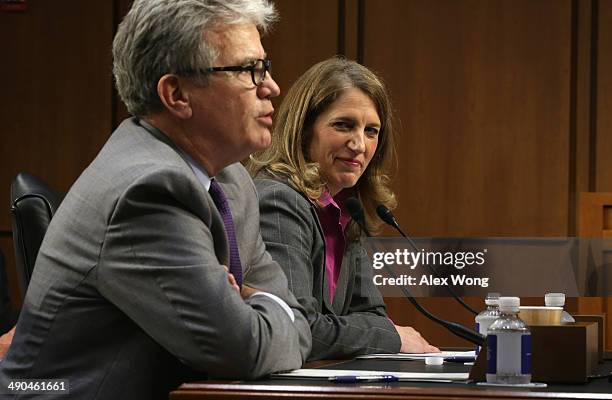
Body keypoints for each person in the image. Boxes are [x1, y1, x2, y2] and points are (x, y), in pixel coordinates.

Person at [0, 0, 311, 398]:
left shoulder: (231, 181)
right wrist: (254, 312)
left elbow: (297, 318)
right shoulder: (147, 189)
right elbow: (245, 348)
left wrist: (252, 301)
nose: (271, 87)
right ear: (176, 94)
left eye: (264, 68)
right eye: (249, 70)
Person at [249, 57, 438, 360]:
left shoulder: (345, 211)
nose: (360, 144)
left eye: (371, 131)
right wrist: (389, 335)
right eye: (344, 125)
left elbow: (373, 315)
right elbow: (299, 328)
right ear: (304, 129)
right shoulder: (278, 201)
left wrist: (369, 331)